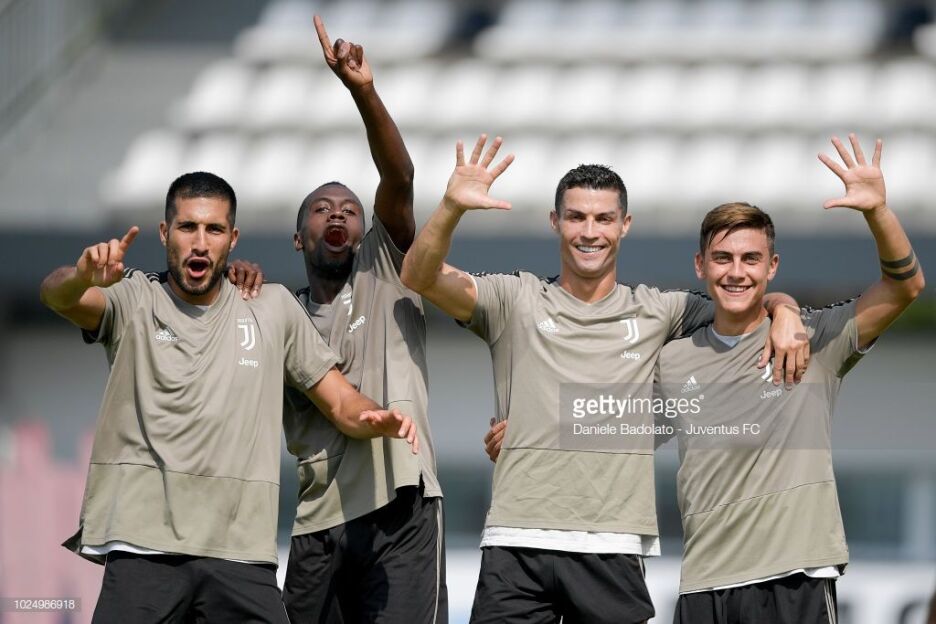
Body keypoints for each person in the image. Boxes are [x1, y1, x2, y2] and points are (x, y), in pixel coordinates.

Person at [400, 136, 808, 624]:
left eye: (603, 219)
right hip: (516, 541)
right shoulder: (515, 299)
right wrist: (450, 207)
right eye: (576, 217)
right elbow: (418, 276)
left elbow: (742, 301)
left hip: (613, 546)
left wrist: (786, 309)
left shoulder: (661, 310)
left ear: (624, 225)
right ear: (555, 222)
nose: (589, 232)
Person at [39, 171, 417, 623]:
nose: (200, 243)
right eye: (188, 227)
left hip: (242, 557)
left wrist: (378, 416)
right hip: (142, 550)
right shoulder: (135, 298)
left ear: (232, 238)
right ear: (165, 233)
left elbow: (341, 403)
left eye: (214, 229)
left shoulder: (272, 307)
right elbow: (57, 295)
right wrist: (80, 277)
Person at [654, 135, 924, 623]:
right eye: (723, 258)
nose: (736, 272)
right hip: (704, 586)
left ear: (772, 266)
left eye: (751, 259)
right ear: (700, 266)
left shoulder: (815, 340)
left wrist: (878, 213)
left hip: (795, 578)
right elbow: (613, 433)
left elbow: (905, 287)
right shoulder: (673, 359)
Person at [279, 16, 446, 623]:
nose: (337, 215)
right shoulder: (279, 313)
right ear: (298, 237)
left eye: (349, 209)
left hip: (402, 506)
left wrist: (363, 91)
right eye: (321, 209)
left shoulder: (386, 267)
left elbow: (399, 177)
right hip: (317, 517)